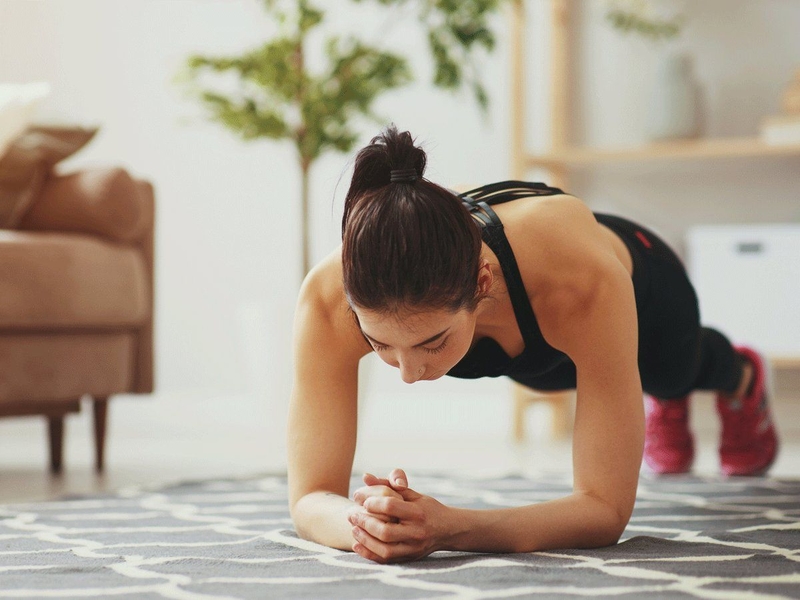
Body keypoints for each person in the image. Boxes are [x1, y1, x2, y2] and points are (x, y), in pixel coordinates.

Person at [287, 124, 779, 564]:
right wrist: (368, 525)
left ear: (482, 283)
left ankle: (739, 375)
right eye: (380, 344)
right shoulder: (330, 299)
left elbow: (604, 511)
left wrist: (449, 528)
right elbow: (309, 498)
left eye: (432, 343)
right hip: (543, 347)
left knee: (673, 373)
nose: (409, 374)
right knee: (564, 380)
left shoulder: (579, 281)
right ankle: (649, 397)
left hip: (648, 296)